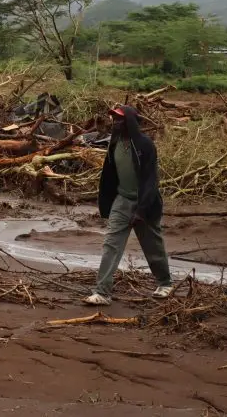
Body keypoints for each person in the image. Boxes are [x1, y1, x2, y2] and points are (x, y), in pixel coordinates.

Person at [84, 105, 173, 305]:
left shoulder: (145, 145)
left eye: (120, 119)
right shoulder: (114, 143)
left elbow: (151, 180)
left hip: (145, 203)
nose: (116, 122)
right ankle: (102, 292)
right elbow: (110, 176)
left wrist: (142, 210)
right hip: (122, 201)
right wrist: (108, 203)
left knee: (152, 246)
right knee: (111, 245)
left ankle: (165, 284)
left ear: (130, 122)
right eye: (114, 119)